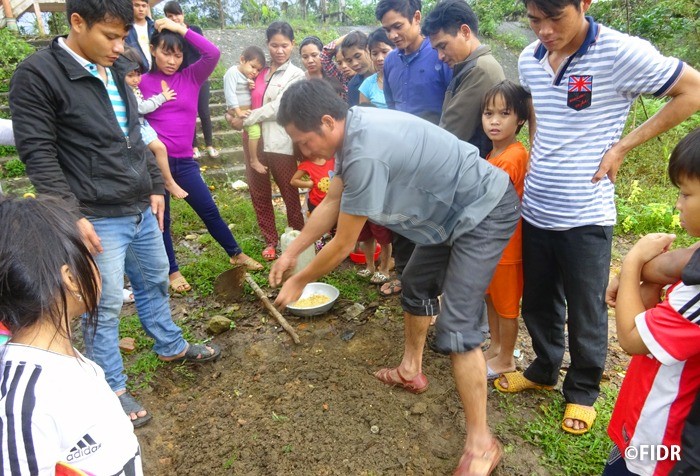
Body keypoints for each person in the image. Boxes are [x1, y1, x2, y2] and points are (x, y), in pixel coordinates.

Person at [271, 79, 520, 476]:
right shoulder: (352, 130)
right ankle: (410, 369)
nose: (303, 151)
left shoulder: (365, 152)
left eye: (302, 142)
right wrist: (291, 252)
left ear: (326, 122)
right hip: (450, 214)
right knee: (417, 280)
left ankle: (482, 443)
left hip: (484, 209)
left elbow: (342, 243)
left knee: (456, 326)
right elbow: (333, 201)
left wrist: (299, 281)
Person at [8, 0, 221, 429]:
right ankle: (112, 387)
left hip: (140, 204)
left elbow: (137, 135)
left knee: (155, 278)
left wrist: (156, 186)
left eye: (124, 36)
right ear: (76, 22)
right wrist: (69, 215)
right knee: (101, 305)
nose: (119, 46)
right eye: (110, 36)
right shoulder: (39, 74)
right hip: (94, 213)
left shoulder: (114, 70)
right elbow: (39, 153)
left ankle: (170, 344)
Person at [494, 0, 700, 436]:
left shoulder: (619, 52)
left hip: (585, 213)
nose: (544, 30)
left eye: (556, 18)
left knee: (586, 307)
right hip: (537, 207)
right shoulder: (530, 59)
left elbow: (693, 90)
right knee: (538, 299)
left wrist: (623, 147)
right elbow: (541, 119)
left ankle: (584, 390)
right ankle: (544, 368)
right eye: (534, 19)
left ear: (584, 4)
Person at [0, 195, 143, 475]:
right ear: (70, 278)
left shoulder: (60, 355)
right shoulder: (23, 406)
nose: (95, 263)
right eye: (87, 254)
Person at [602, 129, 700, 476]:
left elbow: (630, 339)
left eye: (686, 194)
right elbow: (650, 311)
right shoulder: (695, 262)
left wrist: (631, 264)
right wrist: (641, 276)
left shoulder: (697, 297)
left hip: (657, 440)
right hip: (642, 419)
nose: (677, 203)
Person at [141, 18, 263, 293]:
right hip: (153, 164)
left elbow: (213, 53)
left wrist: (180, 29)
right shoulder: (144, 83)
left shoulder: (191, 77)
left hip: (184, 162)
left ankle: (235, 252)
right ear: (152, 50)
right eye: (165, 52)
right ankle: (172, 271)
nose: (172, 60)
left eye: (177, 54)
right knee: (163, 220)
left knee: (209, 210)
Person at [375, 0, 453, 298]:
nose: (393, 35)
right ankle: (406, 278)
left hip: (436, 155)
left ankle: (434, 288)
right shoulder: (392, 61)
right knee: (402, 218)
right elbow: (392, 107)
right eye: (387, 29)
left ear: (416, 18)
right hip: (403, 155)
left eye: (398, 26)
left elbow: (452, 105)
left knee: (432, 222)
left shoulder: (439, 54)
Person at [226, 21, 306, 262]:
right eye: (274, 45)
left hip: (280, 142)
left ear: (292, 45)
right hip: (253, 142)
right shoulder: (257, 71)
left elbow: (279, 106)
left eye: (284, 45)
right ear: (267, 45)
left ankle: (298, 237)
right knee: (259, 193)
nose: (279, 50)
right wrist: (231, 116)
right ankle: (270, 240)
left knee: (289, 191)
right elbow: (239, 96)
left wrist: (247, 119)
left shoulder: (296, 75)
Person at [479, 80, 529, 378]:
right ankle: (496, 346)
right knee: (491, 297)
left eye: (504, 113)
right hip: (491, 245)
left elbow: (486, 200)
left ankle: (506, 357)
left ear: (520, 118)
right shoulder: (495, 154)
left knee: (507, 305)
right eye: (488, 113)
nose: (494, 121)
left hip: (507, 247)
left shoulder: (512, 157)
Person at [422, 0, 507, 158]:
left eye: (443, 46)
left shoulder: (480, 70)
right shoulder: (469, 67)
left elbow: (451, 135)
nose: (440, 56)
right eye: (436, 49)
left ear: (465, 32)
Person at [122, 46, 188, 199]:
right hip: (138, 126)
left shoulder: (132, 87)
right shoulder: (126, 90)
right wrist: (162, 97)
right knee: (160, 148)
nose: (136, 79)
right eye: (130, 75)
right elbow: (141, 107)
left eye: (138, 74)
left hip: (142, 124)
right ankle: (168, 181)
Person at [163, 0, 218, 159]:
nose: (174, 18)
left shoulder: (194, 30)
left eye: (177, 14)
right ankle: (193, 146)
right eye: (170, 16)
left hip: (201, 77)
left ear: (183, 14)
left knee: (204, 112)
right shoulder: (170, 36)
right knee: (190, 112)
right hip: (184, 81)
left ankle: (209, 144)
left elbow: (201, 49)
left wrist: (182, 31)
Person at [223, 46, 266, 174]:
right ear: (242, 60)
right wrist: (238, 112)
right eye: (252, 66)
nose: (255, 72)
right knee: (255, 130)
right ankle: (254, 159)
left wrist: (250, 85)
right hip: (239, 111)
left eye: (258, 70)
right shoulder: (232, 72)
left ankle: (254, 158)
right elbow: (230, 94)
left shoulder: (246, 76)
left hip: (246, 111)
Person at [358, 28, 394, 108]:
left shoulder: (407, 79)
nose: (379, 58)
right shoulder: (367, 84)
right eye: (375, 54)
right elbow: (363, 115)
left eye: (384, 52)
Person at [342, 31, 375, 107]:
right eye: (349, 60)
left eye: (357, 56)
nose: (354, 64)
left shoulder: (388, 74)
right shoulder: (353, 86)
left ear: (367, 49)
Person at [124, 0, 153, 69]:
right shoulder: (126, 28)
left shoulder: (154, 27)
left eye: (143, 6)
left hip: (156, 72)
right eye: (137, 5)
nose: (141, 9)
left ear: (147, 7)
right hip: (136, 72)